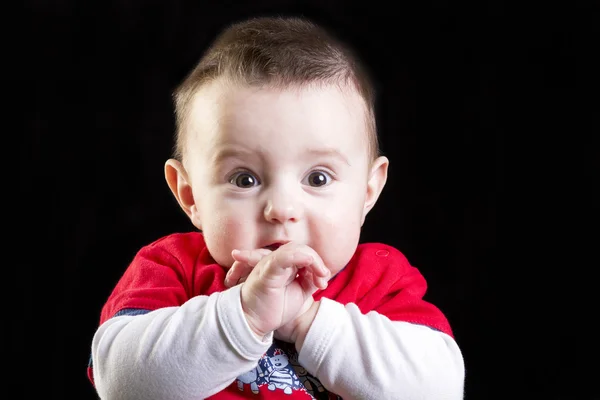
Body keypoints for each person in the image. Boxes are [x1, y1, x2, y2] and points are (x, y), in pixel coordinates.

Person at [87, 15, 465, 400]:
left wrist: (307, 323)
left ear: (367, 191)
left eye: (317, 178)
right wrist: (244, 316)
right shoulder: (172, 269)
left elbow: (440, 388)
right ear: (190, 196)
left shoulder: (380, 280)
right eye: (244, 179)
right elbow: (120, 384)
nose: (281, 209)